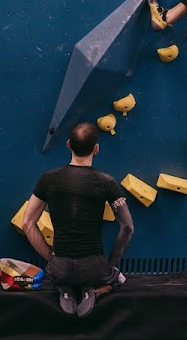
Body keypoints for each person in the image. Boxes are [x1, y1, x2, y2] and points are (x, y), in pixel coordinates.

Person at [22, 122, 134, 318]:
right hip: (95, 270)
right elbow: (128, 227)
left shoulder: (48, 179)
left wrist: (51, 257)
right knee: (120, 279)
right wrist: (111, 264)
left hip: (58, 269)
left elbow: (27, 223)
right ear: (96, 149)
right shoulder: (106, 182)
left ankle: (63, 289)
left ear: (68, 145)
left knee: (62, 274)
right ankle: (97, 291)